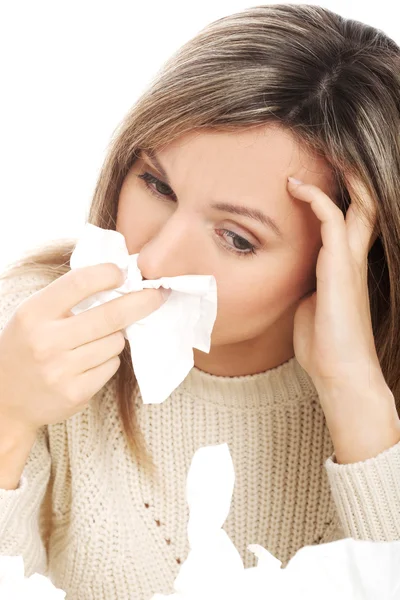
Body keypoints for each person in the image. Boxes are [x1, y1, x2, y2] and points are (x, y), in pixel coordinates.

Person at [1, 3, 400, 599]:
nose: (157, 258)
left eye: (237, 238)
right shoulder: (33, 331)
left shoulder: (381, 389)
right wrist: (8, 417)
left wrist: (356, 396)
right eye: (157, 185)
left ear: (339, 262)